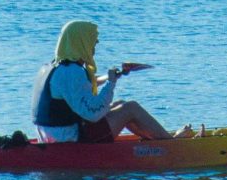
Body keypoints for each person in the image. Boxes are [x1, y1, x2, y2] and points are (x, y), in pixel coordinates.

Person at [32, 19, 173, 145]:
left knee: (120, 104)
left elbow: (81, 87)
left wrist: (112, 76)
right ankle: (170, 145)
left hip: (51, 135)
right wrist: (110, 84)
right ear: (81, 42)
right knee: (131, 108)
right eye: (92, 41)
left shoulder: (54, 67)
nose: (95, 45)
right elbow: (93, 114)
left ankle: (157, 140)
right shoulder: (71, 72)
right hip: (69, 139)